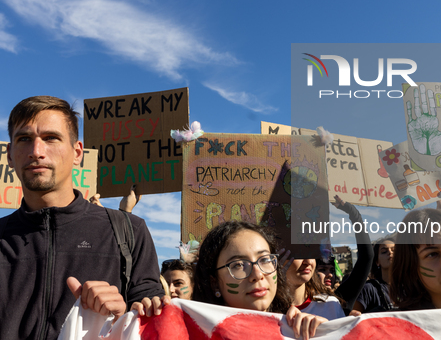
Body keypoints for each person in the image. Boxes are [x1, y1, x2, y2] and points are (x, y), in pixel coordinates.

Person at [0, 96, 165, 340]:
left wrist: (122, 315)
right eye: (24, 139)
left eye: (51, 138)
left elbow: (153, 323)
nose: (36, 152)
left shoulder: (130, 230)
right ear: (10, 155)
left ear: (77, 153)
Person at [194, 221, 326, 339]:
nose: (257, 274)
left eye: (265, 260)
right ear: (215, 283)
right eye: (238, 264)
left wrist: (325, 333)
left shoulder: (298, 331)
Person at [353, 236, 396, 313]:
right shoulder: (368, 289)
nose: (390, 252)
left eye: (394, 250)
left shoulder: (412, 287)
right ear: (377, 262)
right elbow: (353, 319)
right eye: (384, 251)